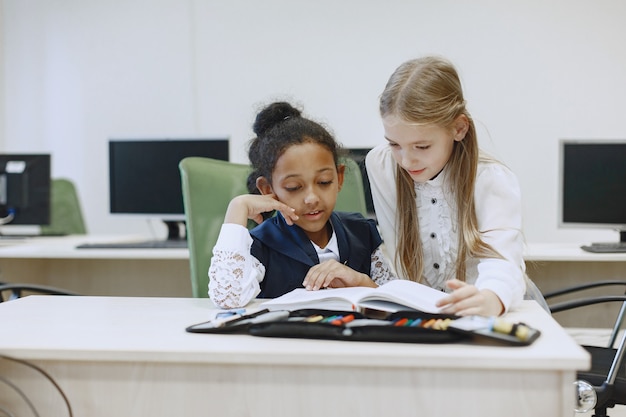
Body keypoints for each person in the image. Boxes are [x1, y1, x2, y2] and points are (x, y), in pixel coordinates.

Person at [365, 56, 526, 317]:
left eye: (422, 146)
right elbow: (395, 249)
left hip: (486, 311)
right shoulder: (381, 164)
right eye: (395, 144)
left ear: (459, 128)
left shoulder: (492, 178)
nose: (406, 161)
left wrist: (490, 297)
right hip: (423, 312)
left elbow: (503, 262)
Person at [209, 101, 396, 309]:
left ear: (339, 178)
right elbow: (227, 299)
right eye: (294, 187)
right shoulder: (262, 243)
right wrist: (238, 207)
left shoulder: (361, 231)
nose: (312, 198)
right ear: (267, 189)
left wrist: (361, 282)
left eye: (324, 182)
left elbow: (394, 300)